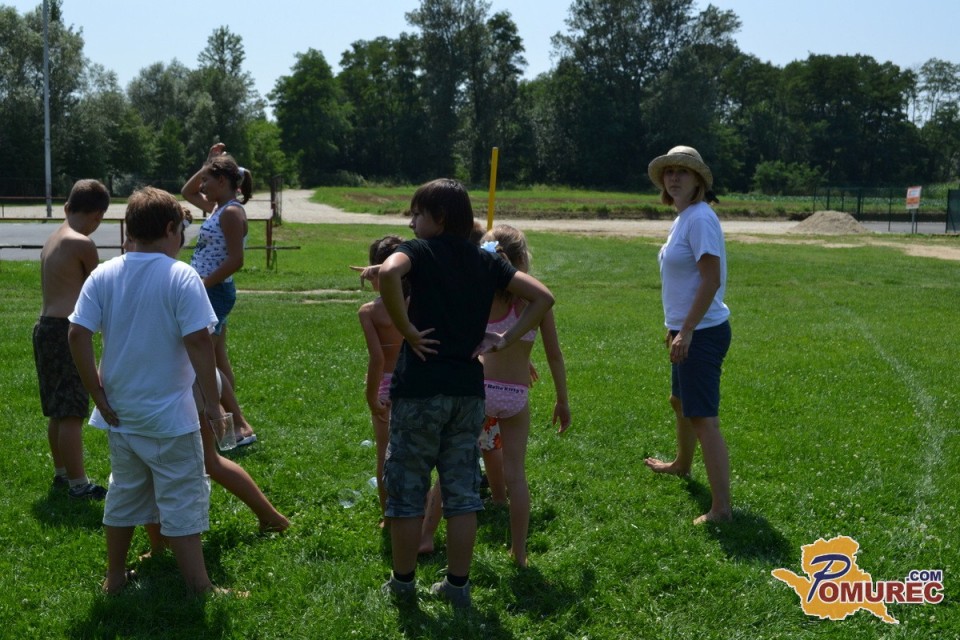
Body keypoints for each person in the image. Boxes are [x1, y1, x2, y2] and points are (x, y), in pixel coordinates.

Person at [377, 178, 555, 608]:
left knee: (407, 491)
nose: (412, 223)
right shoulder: (485, 260)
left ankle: (403, 583)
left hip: (419, 391)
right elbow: (542, 297)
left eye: (417, 214)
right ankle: (457, 586)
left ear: (439, 218)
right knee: (462, 495)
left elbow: (387, 271)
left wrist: (407, 330)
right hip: (468, 396)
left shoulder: (419, 251)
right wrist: (506, 338)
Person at [68, 186, 229, 595]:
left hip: (119, 414)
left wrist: (97, 394)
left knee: (124, 494)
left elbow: (77, 334)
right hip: (171, 418)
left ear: (131, 228)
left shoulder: (104, 273)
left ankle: (114, 577)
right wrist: (214, 405)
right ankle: (200, 587)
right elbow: (199, 342)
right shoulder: (181, 275)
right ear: (171, 228)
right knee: (182, 498)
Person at [642, 145, 733, 525]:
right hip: (686, 329)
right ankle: (682, 464)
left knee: (703, 419)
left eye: (683, 171)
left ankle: (722, 509)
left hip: (703, 332)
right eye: (669, 171)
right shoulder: (684, 218)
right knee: (679, 401)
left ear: (698, 180)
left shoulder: (699, 219)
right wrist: (676, 328)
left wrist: (689, 330)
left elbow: (711, 280)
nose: (674, 177)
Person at [476, 224, 571, 566]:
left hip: (479, 391)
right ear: (521, 260)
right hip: (515, 395)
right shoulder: (535, 302)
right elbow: (554, 356)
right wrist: (562, 400)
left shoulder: (479, 296)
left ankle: (427, 533)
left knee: (454, 466)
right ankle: (519, 553)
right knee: (516, 475)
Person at [33, 179, 110, 499]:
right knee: (72, 412)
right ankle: (79, 484)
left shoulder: (53, 238)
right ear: (97, 215)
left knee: (58, 408)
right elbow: (99, 287)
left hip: (44, 327)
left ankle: (62, 473)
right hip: (66, 329)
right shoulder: (82, 243)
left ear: (68, 207)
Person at [181, 143, 257, 445]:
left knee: (204, 362)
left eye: (207, 180)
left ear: (222, 182)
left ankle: (239, 424)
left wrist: (203, 285)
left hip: (213, 291)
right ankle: (233, 422)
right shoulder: (217, 208)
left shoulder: (231, 213)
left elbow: (236, 260)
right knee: (217, 359)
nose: (202, 185)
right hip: (210, 289)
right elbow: (186, 192)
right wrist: (208, 162)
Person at [355, 234, 406, 523]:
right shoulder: (419, 303)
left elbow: (377, 359)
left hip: (385, 386)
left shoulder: (369, 312)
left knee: (384, 453)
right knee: (416, 452)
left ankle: (388, 515)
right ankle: (419, 508)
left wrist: (371, 397)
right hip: (414, 382)